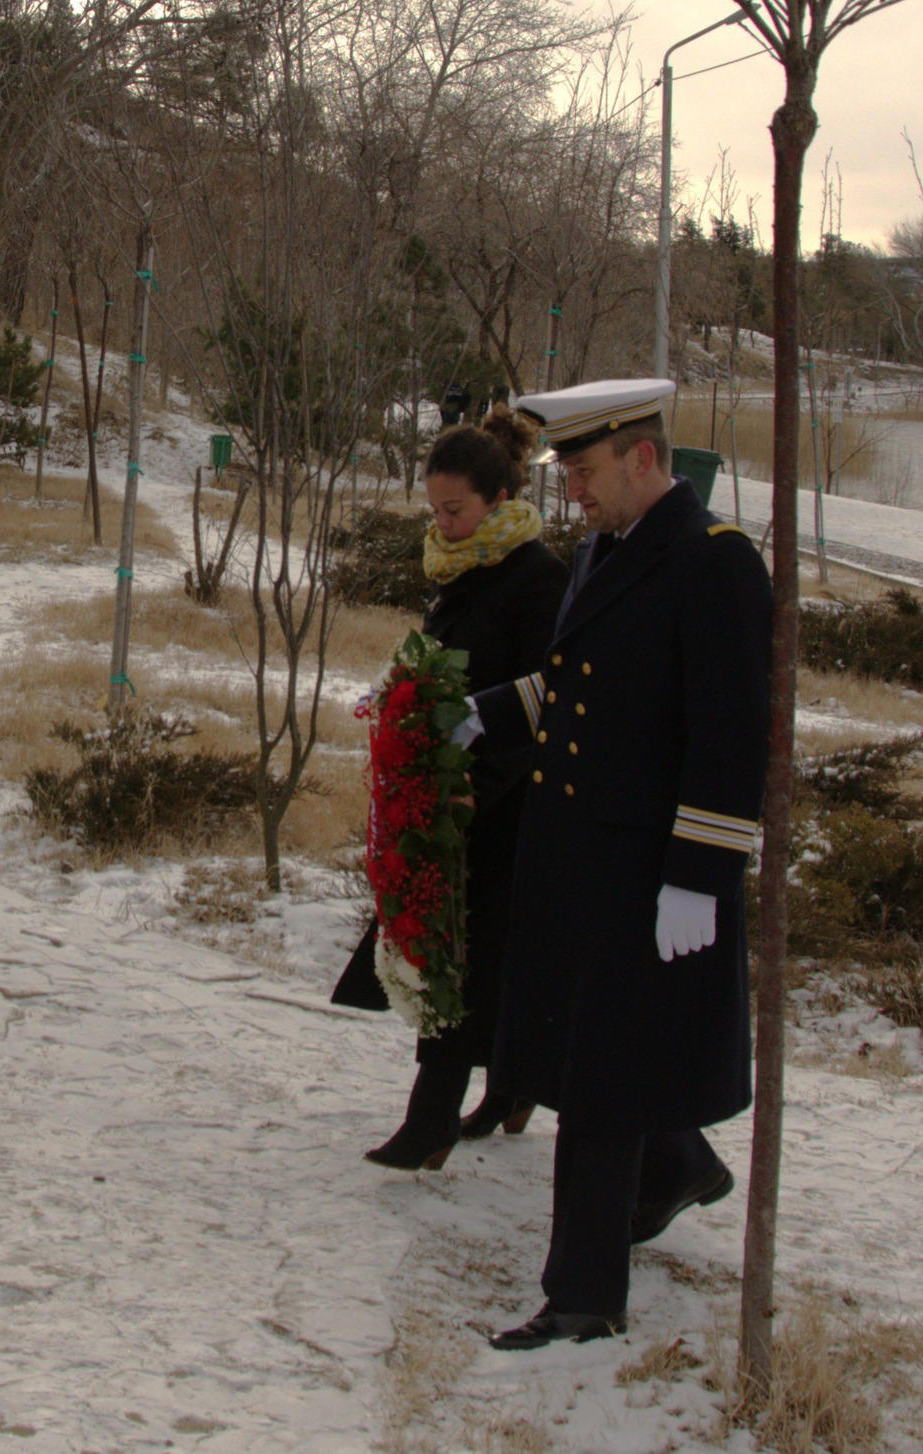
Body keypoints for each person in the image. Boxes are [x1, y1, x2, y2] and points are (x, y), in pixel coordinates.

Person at [457, 379, 772, 1351]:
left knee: (595, 1083)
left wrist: (699, 872)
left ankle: (582, 1298)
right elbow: (578, 684)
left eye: (584, 473)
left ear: (641, 459)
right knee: (602, 1059)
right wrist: (479, 712)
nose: (571, 496)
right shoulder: (609, 546)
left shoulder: (712, 564)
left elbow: (726, 731)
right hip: (579, 864)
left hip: (645, 870)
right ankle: (674, 1161)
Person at [334, 407, 568, 1169]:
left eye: (455, 509)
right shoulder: (459, 567)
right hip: (449, 795)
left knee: (466, 957)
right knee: (473, 957)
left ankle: (433, 1117)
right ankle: (507, 1089)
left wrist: (480, 786)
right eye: (434, 508)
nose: (443, 522)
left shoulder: (539, 579)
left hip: (506, 805)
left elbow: (547, 704)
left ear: (500, 499)